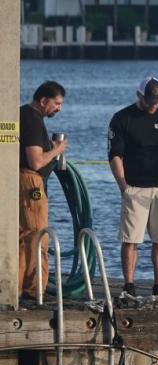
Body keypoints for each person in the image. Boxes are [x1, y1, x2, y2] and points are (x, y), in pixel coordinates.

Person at [108, 77, 158, 298]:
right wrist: (123, 186)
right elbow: (115, 154)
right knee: (130, 238)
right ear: (139, 95)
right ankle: (129, 284)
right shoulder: (122, 118)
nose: (154, 104)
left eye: (157, 100)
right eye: (150, 100)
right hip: (134, 187)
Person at [18, 81, 68, 299]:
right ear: (43, 100)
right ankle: (35, 289)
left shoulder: (23, 114)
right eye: (56, 103)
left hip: (21, 182)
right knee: (38, 235)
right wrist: (57, 149)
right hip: (31, 184)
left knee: (23, 235)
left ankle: (18, 286)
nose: (59, 108)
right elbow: (36, 161)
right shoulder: (33, 121)